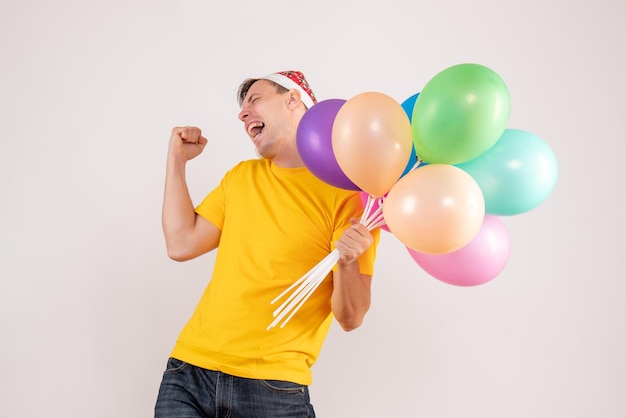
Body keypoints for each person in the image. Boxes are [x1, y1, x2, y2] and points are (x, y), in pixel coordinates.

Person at [155, 70, 380, 417]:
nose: (243, 114)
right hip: (189, 373)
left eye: (254, 100)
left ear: (293, 99)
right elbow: (181, 243)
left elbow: (351, 317)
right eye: (242, 107)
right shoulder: (241, 177)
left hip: (272, 389)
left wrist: (348, 261)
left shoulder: (350, 197)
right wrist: (176, 160)